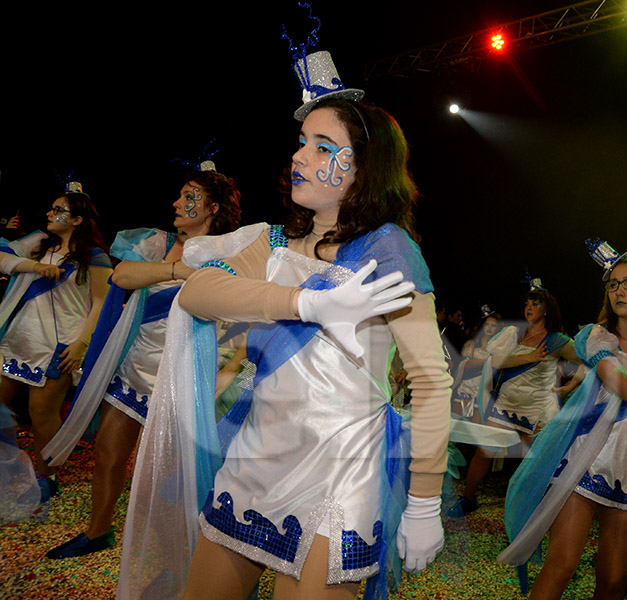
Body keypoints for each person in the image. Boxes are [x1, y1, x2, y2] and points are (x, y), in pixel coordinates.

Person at [117, 50, 451, 600]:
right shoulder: (272, 241)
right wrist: (309, 303)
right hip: (253, 460)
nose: (301, 157)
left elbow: (433, 382)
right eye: (302, 143)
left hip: (339, 476)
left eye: (323, 147)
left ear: (364, 167)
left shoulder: (390, 251)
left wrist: (424, 501)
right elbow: (197, 292)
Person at [43, 164, 243, 558]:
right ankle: (98, 531)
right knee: (108, 453)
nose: (177, 202)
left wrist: (229, 370)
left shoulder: (233, 253)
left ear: (214, 208)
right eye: (181, 194)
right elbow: (122, 277)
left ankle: (180, 552)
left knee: (175, 474)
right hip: (136, 367)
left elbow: (247, 321)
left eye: (190, 196)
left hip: (185, 375)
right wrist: (177, 270)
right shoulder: (157, 241)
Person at [498, 243, 627, 600]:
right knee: (561, 565)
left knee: (612, 581)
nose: (619, 290)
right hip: (583, 460)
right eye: (613, 284)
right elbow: (610, 374)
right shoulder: (597, 335)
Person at [0, 187, 111, 500]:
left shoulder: (94, 256)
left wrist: (81, 345)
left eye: (59, 209)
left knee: (42, 416)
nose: (50, 213)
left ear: (77, 219)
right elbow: (2, 258)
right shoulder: (36, 244)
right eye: (51, 208)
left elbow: (101, 304)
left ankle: (46, 478)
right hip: (19, 340)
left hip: (59, 346)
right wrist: (34, 266)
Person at [454, 284, 580, 515]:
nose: (529, 307)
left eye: (535, 304)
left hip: (536, 408)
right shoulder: (514, 332)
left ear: (547, 310)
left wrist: (569, 387)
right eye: (527, 303)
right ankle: (468, 499)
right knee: (484, 451)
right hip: (506, 403)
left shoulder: (557, 340)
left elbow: (586, 362)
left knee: (530, 462)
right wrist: (528, 357)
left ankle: (526, 512)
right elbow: (496, 362)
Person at [452, 305, 503, 421]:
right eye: (487, 324)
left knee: (476, 430)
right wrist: (487, 361)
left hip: (483, 395)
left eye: (493, 325)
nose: (489, 328)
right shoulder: (472, 345)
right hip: (465, 391)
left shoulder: (498, 351)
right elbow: (465, 365)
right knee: (456, 427)